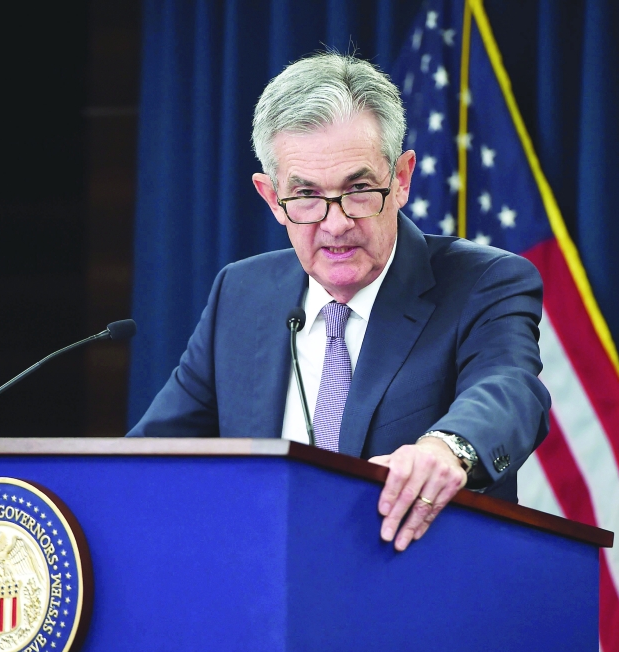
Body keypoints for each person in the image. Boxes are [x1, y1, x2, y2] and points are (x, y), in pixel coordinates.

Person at [129, 53, 550, 552]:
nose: (335, 224)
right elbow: (149, 458)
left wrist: (446, 448)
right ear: (270, 197)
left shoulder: (483, 282)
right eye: (306, 196)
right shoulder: (241, 294)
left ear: (401, 179)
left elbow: (510, 389)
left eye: (359, 189)